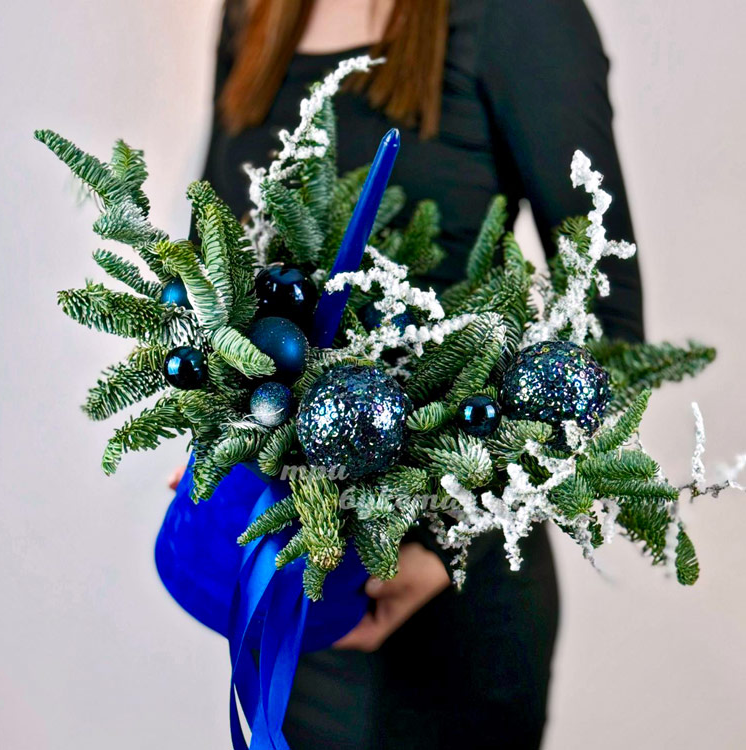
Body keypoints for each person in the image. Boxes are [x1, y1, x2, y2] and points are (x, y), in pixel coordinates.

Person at [170, 0, 645, 747]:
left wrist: (449, 545)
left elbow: (608, 333)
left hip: (444, 615)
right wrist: (210, 423)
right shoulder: (252, 11)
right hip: (293, 598)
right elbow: (213, 257)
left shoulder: (522, 17)